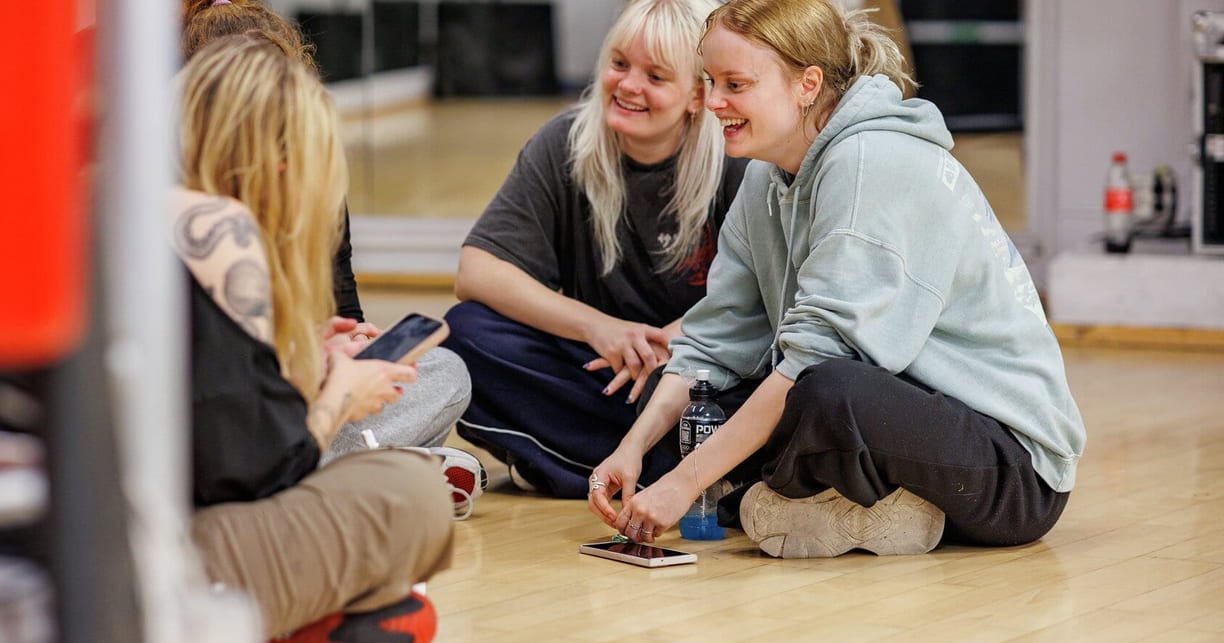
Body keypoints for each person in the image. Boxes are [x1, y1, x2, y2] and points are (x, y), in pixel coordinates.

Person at [587, 0, 1085, 558]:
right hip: (897, 417)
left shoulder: (872, 161)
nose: (713, 101)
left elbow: (816, 362)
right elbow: (712, 341)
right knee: (692, 402)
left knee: (825, 390)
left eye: (736, 83)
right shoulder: (763, 180)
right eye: (710, 80)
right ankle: (843, 502)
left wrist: (683, 484)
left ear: (808, 84)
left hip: (1010, 473)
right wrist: (629, 453)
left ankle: (836, 505)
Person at [176, 35, 453, 643]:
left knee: (447, 372)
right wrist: (339, 400)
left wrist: (298, 355)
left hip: (98, 524)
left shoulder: (127, 198)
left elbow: (206, 403)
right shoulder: (219, 228)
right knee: (414, 496)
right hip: (164, 554)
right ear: (282, 158)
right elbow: (257, 472)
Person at [442, 0, 748, 498]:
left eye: (655, 76)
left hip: (695, 366)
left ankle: (559, 461)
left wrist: (667, 341)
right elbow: (476, 271)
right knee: (465, 336)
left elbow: (763, 298)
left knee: (746, 388)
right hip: (600, 371)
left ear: (697, 95)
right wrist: (600, 328)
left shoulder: (734, 160)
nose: (628, 85)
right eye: (619, 64)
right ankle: (669, 473)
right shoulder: (564, 141)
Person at [181, 0, 474, 467]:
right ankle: (377, 465)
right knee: (413, 503)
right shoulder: (203, 226)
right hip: (229, 441)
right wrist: (321, 378)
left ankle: (365, 462)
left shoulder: (311, 187)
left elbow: (342, 312)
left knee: (445, 372)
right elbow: (226, 392)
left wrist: (341, 345)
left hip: (286, 401)